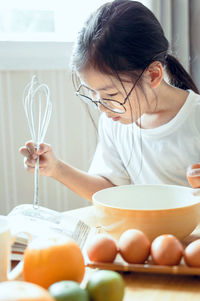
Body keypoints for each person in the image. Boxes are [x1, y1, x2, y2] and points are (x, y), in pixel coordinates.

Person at [20, 0, 200, 201]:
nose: (102, 108)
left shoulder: (195, 118)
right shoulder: (115, 121)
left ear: (153, 75)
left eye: (111, 95)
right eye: (94, 95)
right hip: (147, 231)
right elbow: (110, 190)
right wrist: (56, 169)